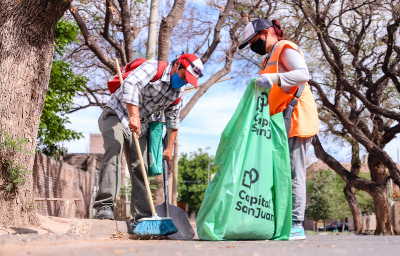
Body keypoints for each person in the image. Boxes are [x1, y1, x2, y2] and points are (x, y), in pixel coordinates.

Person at [94, 54, 204, 224]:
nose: (183, 82)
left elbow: (173, 119)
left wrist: (169, 148)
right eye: (183, 77)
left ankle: (143, 216)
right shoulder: (153, 68)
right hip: (117, 113)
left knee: (141, 167)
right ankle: (105, 205)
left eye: (187, 81)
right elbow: (130, 84)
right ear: (177, 65)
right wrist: (134, 115)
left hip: (140, 125)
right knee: (114, 148)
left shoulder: (177, 92)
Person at [238, 19, 319, 240]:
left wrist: (273, 78)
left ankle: (296, 225)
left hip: (295, 116)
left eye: (253, 40)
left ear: (265, 33)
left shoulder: (285, 47)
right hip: (278, 121)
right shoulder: (268, 59)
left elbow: (303, 74)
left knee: (293, 172)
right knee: (277, 173)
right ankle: (279, 222)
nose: (253, 46)